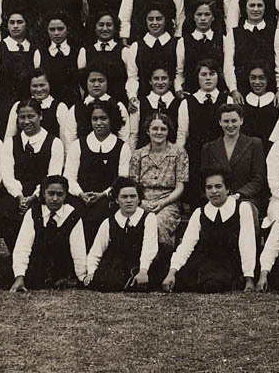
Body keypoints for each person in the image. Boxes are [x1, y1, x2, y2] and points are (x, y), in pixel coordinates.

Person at [162, 168, 258, 293]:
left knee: (212, 284)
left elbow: (247, 243)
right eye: (209, 187)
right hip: (206, 263)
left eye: (218, 186)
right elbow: (186, 245)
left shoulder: (242, 208)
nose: (213, 191)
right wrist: (172, 273)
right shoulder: (199, 213)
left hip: (231, 265)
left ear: (228, 189)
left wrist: (249, 279)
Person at [0, 99, 66, 249]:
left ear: (40, 116)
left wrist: (34, 196)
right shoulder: (11, 142)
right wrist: (19, 196)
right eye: (22, 117)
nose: (26, 121)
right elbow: (8, 174)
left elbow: (52, 176)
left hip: (42, 194)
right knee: (5, 210)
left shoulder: (54, 143)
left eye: (31, 116)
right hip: (18, 194)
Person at [64, 99, 132, 245]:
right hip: (81, 198)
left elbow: (122, 179)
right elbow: (69, 177)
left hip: (108, 199)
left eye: (103, 118)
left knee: (103, 216)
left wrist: (103, 194)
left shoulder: (122, 147)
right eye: (95, 119)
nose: (99, 123)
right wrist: (81, 194)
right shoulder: (78, 145)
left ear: (112, 120)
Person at [9, 175, 87, 291]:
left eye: (60, 194)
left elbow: (78, 250)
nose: (55, 199)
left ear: (66, 195)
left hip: (61, 270)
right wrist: (19, 277)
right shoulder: (33, 213)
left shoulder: (73, 215)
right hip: (36, 269)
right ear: (43, 194)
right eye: (51, 193)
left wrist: (82, 279)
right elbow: (23, 246)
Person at [85, 177, 160, 292]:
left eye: (133, 196)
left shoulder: (148, 218)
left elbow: (149, 248)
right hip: (118, 266)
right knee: (107, 282)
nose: (129, 200)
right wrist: (91, 271)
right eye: (124, 197)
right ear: (116, 200)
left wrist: (143, 270)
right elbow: (96, 252)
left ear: (139, 199)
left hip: (144, 263)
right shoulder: (108, 222)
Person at [176, 58, 232, 207]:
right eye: (204, 74)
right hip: (196, 157)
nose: (208, 78)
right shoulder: (187, 102)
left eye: (212, 74)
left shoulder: (227, 99)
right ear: (197, 77)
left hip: (221, 155)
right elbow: (182, 135)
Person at [128, 112, 187, 252]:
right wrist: (142, 203)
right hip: (142, 202)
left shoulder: (179, 153)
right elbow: (133, 186)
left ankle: (160, 264)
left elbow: (180, 187)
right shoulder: (138, 154)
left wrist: (163, 203)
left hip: (168, 203)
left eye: (163, 129)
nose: (159, 132)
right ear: (148, 131)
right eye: (155, 129)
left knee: (157, 224)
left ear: (168, 131)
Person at [201, 103, 268, 215]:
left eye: (234, 121)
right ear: (220, 122)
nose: (230, 125)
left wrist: (238, 195)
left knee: (244, 212)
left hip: (245, 199)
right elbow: (206, 179)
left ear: (241, 121)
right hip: (217, 199)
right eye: (226, 121)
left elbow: (258, 179)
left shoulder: (254, 144)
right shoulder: (209, 148)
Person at [0, 10, 40, 137]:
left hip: (26, 106)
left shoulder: (34, 50)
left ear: (26, 24)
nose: (15, 26)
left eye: (19, 22)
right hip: (4, 105)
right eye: (12, 22)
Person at [225, 0, 279, 104]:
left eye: (260, 5)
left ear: (265, 8)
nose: (256, 9)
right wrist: (234, 90)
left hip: (268, 89)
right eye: (251, 5)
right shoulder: (234, 33)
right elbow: (228, 65)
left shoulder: (276, 33)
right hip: (241, 91)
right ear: (244, 8)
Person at [4, 69, 76, 147]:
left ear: (49, 84)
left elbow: (64, 140)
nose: (38, 89)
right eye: (34, 86)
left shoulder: (60, 107)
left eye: (42, 85)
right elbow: (9, 137)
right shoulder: (18, 105)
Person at [77, 8, 132, 105]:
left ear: (115, 28)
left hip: (118, 102)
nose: (105, 28)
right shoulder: (85, 51)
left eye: (109, 25)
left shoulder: (124, 51)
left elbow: (130, 78)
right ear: (95, 27)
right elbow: (81, 82)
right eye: (101, 25)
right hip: (93, 103)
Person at [126, 5, 178, 103]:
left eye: (159, 19)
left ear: (165, 20)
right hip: (144, 101)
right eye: (150, 19)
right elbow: (133, 76)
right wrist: (132, 96)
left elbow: (179, 73)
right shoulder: (136, 46)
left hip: (171, 101)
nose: (154, 23)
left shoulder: (176, 44)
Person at [175, 0, 226, 96]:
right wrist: (178, 89)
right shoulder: (183, 42)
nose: (203, 18)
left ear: (213, 17)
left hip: (217, 93)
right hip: (191, 93)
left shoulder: (222, 39)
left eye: (207, 14)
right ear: (193, 17)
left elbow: (226, 69)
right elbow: (179, 71)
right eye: (199, 14)